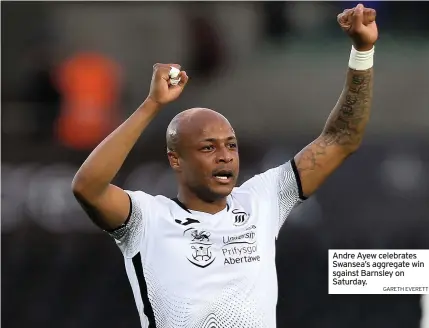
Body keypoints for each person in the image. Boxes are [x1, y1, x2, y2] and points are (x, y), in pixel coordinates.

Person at [72, 4, 378, 328]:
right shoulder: (146, 219)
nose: (225, 155)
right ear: (176, 159)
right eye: (208, 147)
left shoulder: (262, 200)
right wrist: (152, 105)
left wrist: (363, 51)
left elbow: (341, 139)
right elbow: (87, 187)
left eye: (231, 145)